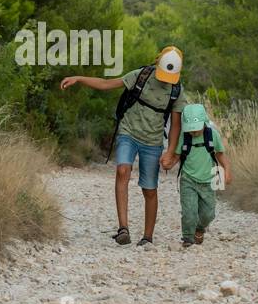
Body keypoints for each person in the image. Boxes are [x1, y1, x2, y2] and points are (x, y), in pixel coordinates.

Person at [60, 46, 187, 246]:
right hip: (128, 132)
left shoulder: (176, 90)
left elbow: (176, 125)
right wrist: (79, 78)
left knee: (150, 189)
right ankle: (123, 229)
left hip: (153, 142)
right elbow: (105, 83)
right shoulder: (141, 75)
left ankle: (147, 237)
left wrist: (170, 152)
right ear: (157, 64)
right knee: (122, 170)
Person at [175, 103, 230, 247]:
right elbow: (176, 155)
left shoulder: (213, 135)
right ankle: (187, 237)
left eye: (196, 128)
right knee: (189, 212)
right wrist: (167, 162)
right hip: (188, 179)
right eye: (190, 129)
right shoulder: (184, 137)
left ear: (204, 121)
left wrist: (227, 171)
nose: (193, 132)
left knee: (208, 214)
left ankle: (199, 228)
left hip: (209, 180)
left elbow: (220, 154)